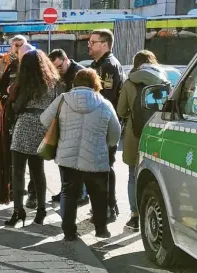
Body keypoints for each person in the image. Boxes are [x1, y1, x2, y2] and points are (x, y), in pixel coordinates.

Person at [41, 68, 121, 240]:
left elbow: (44, 119)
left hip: (67, 157)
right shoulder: (104, 104)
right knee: (99, 194)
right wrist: (102, 144)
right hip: (96, 158)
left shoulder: (62, 100)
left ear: (74, 83)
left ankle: (69, 231)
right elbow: (115, 135)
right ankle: (101, 229)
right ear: (95, 84)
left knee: (68, 193)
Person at [4, 49, 60, 227]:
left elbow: (17, 106)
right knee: (38, 171)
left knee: (18, 172)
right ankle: (41, 210)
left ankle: (18, 211)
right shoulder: (52, 82)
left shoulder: (25, 82)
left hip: (25, 125)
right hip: (43, 126)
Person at [117, 50, 167, 231]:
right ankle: (155, 216)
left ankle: (134, 216)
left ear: (136, 63)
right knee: (158, 177)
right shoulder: (164, 80)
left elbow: (121, 110)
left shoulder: (130, 81)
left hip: (135, 133)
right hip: (160, 133)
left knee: (133, 175)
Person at [89, 29, 124, 222]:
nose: (90, 46)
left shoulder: (108, 66)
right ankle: (103, 206)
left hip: (105, 125)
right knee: (100, 167)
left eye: (93, 42)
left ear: (104, 44)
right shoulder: (99, 64)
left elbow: (105, 99)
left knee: (104, 167)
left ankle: (108, 207)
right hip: (102, 124)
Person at [48, 49, 88, 205]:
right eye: (54, 67)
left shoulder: (79, 73)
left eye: (59, 66)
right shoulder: (57, 74)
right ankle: (66, 191)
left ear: (66, 60)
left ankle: (82, 194)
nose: (57, 70)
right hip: (62, 121)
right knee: (63, 160)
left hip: (78, 122)